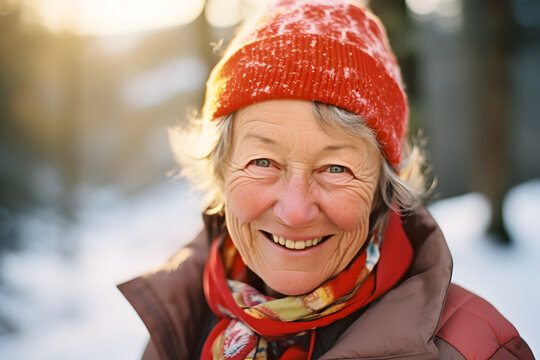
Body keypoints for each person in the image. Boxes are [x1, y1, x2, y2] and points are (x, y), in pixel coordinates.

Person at [118, 0, 535, 359]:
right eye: (263, 161)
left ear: (383, 188)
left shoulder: (477, 349)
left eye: (336, 168)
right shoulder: (176, 326)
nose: (296, 211)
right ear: (220, 170)